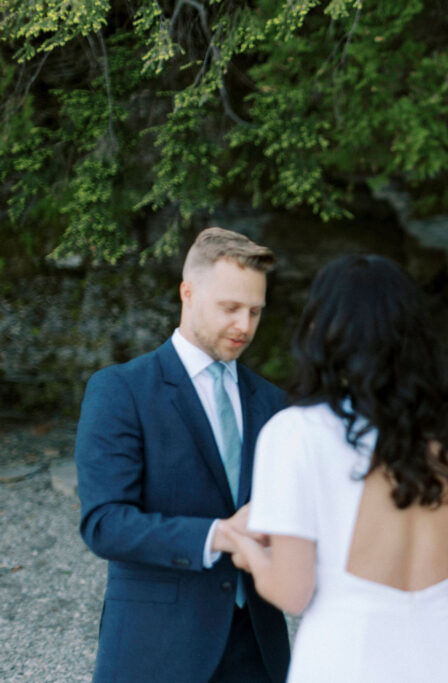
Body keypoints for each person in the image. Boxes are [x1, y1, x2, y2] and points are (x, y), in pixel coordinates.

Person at [224, 254, 448, 682]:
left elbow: (292, 593)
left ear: (320, 330)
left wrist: (245, 548)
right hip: (446, 656)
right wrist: (420, 599)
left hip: (348, 656)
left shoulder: (298, 432)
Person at [75, 227, 290, 682]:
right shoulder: (121, 390)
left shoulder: (272, 402)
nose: (244, 326)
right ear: (187, 293)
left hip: (258, 648)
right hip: (155, 648)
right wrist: (218, 535)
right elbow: (104, 523)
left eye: (255, 311)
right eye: (230, 308)